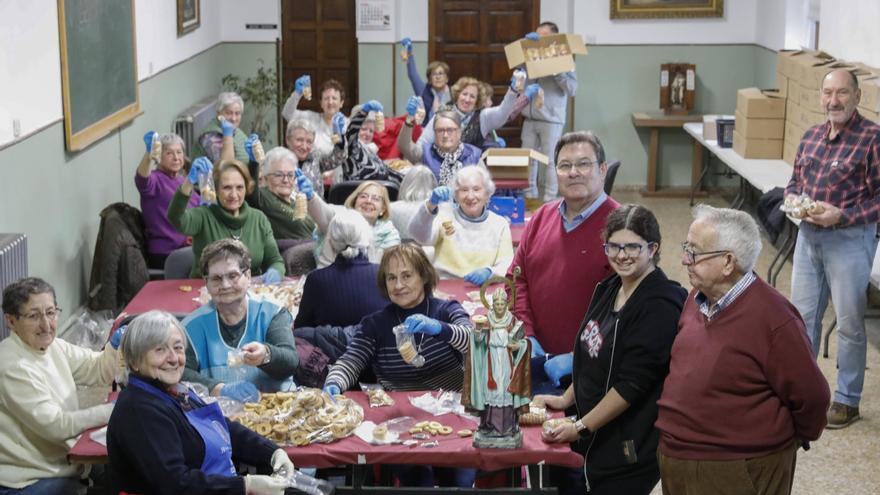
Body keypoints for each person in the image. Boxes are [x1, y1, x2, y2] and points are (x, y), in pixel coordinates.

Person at [655, 205, 830, 495]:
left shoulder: (774, 318)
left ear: (727, 262)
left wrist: (783, 442)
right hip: (679, 457)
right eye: (687, 247)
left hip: (738, 468)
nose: (684, 259)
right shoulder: (696, 299)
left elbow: (813, 396)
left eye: (695, 253)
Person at [536, 204, 686, 495]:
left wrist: (580, 426)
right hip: (594, 429)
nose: (622, 255)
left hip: (626, 443)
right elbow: (589, 353)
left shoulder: (659, 305)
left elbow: (631, 386)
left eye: (633, 247)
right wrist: (567, 398)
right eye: (614, 246)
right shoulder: (611, 286)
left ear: (653, 248)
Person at [322, 243, 475, 487]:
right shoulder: (375, 324)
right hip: (400, 421)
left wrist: (440, 329)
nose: (398, 285)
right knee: (418, 479)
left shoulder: (447, 310)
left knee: (458, 480)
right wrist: (334, 382)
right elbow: (351, 360)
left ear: (424, 276)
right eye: (391, 278)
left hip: (452, 416)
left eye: (406, 276)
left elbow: (473, 342)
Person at [785, 68, 880, 429]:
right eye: (828, 93)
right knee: (801, 319)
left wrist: (843, 216)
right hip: (808, 237)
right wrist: (793, 197)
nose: (833, 101)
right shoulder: (810, 137)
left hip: (850, 240)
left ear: (858, 97)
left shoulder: (872, 139)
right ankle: (806, 395)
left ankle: (847, 400)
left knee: (850, 324)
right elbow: (795, 181)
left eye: (842, 93)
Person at [108, 310, 292, 495]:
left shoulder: (173, 391)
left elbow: (221, 427)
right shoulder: (140, 410)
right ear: (135, 361)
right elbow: (175, 484)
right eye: (160, 350)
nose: (173, 358)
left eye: (178, 348)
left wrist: (272, 453)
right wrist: (246, 486)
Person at [510, 131, 619, 388]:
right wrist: (525, 333)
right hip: (535, 361)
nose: (573, 173)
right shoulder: (541, 217)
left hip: (594, 373)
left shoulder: (622, 227)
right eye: (565, 165)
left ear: (602, 170)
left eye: (583, 164)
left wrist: (577, 357)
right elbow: (515, 280)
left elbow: (630, 310)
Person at [0, 277, 121, 494]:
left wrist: (115, 345)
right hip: (30, 477)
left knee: (127, 473)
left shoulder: (53, 346)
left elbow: (98, 370)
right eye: (33, 316)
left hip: (62, 461)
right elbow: (57, 425)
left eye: (50, 312)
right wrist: (113, 410)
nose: (46, 325)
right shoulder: (12, 367)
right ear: (11, 321)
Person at [181, 239, 298, 402]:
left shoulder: (271, 313)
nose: (225, 284)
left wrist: (266, 354)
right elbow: (179, 372)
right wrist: (218, 388)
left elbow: (290, 362)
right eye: (216, 278)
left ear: (248, 276)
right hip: (219, 417)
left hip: (277, 412)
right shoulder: (191, 327)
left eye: (233, 275)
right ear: (206, 282)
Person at [168, 157, 285, 279]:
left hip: (251, 291)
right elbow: (176, 218)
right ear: (216, 190)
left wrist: (275, 271)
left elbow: (275, 260)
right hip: (206, 291)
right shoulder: (204, 215)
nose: (234, 195)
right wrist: (188, 183)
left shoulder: (258, 219)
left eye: (239, 187)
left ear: (247, 188)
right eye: (227, 188)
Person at [409, 166, 513, 285]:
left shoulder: (499, 224)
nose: (470, 196)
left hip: (484, 289)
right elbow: (418, 235)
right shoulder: (445, 217)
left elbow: (507, 263)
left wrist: (490, 272)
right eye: (464, 190)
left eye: (476, 189)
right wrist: (430, 205)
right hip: (445, 286)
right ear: (456, 195)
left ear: (487, 193)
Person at [294, 209, 389, 329]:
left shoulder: (316, 279)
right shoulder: (385, 274)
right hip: (377, 345)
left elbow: (301, 328)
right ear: (367, 237)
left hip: (328, 347)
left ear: (330, 241)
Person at [462, 287, 530, 447]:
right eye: (497, 304)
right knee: (490, 392)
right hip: (490, 362)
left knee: (505, 391)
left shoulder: (512, 320)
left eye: (502, 304)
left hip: (506, 362)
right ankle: (489, 426)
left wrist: (518, 346)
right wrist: (477, 330)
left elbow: (523, 341)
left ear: (506, 305)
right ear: (492, 304)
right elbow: (478, 341)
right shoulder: (487, 320)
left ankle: (507, 428)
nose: (499, 307)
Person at [521, 22, 579, 202]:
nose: (539, 40)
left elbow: (572, 89)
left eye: (543, 36)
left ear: (554, 38)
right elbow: (519, 81)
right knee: (528, 159)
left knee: (552, 161)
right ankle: (529, 196)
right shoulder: (530, 56)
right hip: (530, 118)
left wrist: (557, 70)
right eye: (537, 36)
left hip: (551, 119)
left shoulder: (565, 60)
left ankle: (550, 199)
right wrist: (524, 61)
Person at [297, 172, 401, 267]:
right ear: (354, 202)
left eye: (375, 199)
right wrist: (311, 198)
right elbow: (324, 214)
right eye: (363, 196)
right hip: (332, 279)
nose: (368, 201)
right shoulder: (340, 218)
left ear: (383, 209)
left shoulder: (389, 234)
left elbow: (389, 267)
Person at [416, 74, 538, 152]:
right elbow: (423, 143)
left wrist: (513, 92)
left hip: (471, 174)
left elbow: (503, 113)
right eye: (464, 94)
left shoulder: (483, 116)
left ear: (477, 101)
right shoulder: (443, 114)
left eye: (472, 96)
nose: (467, 99)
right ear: (458, 95)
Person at [135, 131, 199, 269]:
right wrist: (149, 154)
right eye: (169, 153)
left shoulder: (183, 180)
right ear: (159, 156)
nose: (176, 157)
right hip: (168, 253)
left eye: (179, 152)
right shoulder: (155, 179)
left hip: (189, 247)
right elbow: (142, 180)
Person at [244, 144, 316, 250]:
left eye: (290, 175)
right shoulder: (263, 198)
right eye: (279, 175)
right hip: (289, 258)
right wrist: (253, 163)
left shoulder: (297, 198)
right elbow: (251, 190)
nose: (286, 180)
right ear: (265, 177)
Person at [397, 109, 482, 185]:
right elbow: (404, 145)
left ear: (459, 132)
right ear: (434, 133)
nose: (445, 135)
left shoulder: (474, 155)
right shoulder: (425, 153)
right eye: (440, 130)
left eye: (450, 130)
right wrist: (409, 121)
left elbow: (484, 188)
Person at [333, 101, 402, 183]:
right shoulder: (352, 150)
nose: (367, 134)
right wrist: (363, 112)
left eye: (371, 131)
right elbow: (351, 134)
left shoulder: (370, 151)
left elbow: (386, 173)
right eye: (364, 129)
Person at [281, 77, 348, 158]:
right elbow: (287, 114)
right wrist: (297, 94)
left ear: (341, 103)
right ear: (321, 103)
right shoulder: (310, 118)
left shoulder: (349, 124)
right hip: (314, 169)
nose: (330, 102)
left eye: (334, 98)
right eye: (326, 98)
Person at [399, 38, 451, 125]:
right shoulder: (423, 90)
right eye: (434, 74)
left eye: (441, 74)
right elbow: (413, 74)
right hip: (427, 131)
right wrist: (409, 53)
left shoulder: (454, 93)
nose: (438, 77)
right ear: (430, 79)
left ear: (447, 78)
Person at [192, 91, 250, 163]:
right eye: (228, 113)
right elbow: (225, 168)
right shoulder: (210, 137)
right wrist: (228, 135)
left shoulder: (237, 132)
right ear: (219, 113)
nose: (233, 118)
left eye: (237, 113)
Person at [285, 119, 332, 198]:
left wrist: (340, 139)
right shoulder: (278, 162)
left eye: (309, 142)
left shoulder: (316, 159)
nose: (304, 146)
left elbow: (338, 157)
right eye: (299, 140)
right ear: (288, 140)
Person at [390, 164, 437, 239]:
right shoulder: (439, 209)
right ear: (433, 182)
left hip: (399, 249)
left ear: (406, 182)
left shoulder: (391, 208)